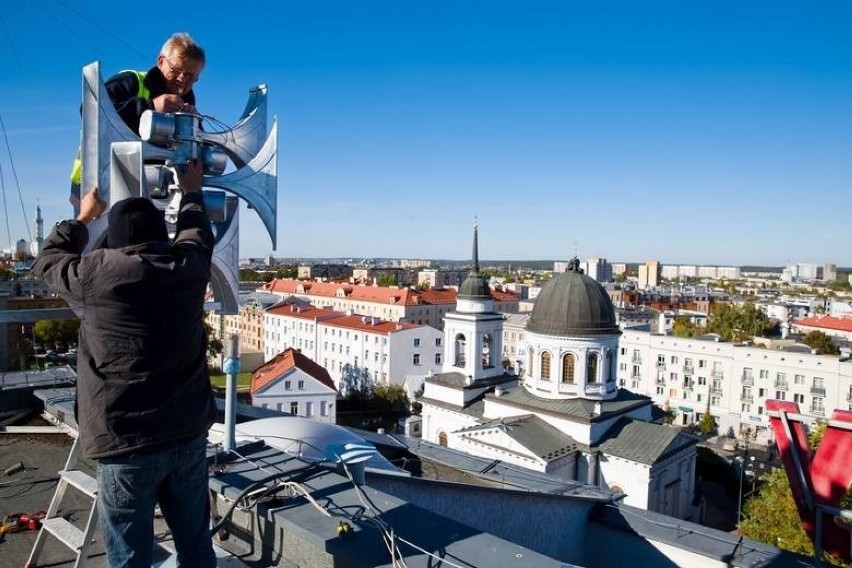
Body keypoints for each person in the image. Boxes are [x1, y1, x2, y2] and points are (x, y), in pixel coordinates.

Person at [33, 161, 217, 567]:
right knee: (196, 547)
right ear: (159, 235)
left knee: (130, 556)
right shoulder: (187, 267)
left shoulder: (94, 275)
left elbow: (46, 261)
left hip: (126, 442)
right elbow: (196, 233)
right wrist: (191, 191)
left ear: (113, 241)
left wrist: (83, 217)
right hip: (186, 433)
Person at [70, 32, 206, 212]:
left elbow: (195, 153)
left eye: (190, 76)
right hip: (95, 182)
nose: (182, 80)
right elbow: (90, 112)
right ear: (161, 61)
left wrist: (192, 124)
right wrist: (150, 106)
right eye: (176, 70)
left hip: (148, 191)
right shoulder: (132, 81)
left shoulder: (185, 104)